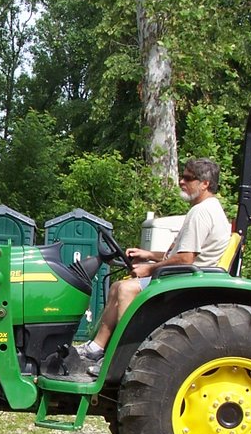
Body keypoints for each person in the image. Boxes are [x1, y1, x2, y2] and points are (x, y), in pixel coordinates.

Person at [77, 158, 232, 376]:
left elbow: (187, 258)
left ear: (205, 183)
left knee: (126, 289)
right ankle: (96, 348)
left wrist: (149, 268)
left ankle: (122, 358)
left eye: (188, 178)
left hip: (186, 278)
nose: (181, 181)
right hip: (184, 274)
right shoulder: (205, 209)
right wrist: (148, 254)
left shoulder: (202, 213)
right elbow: (182, 253)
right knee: (116, 287)